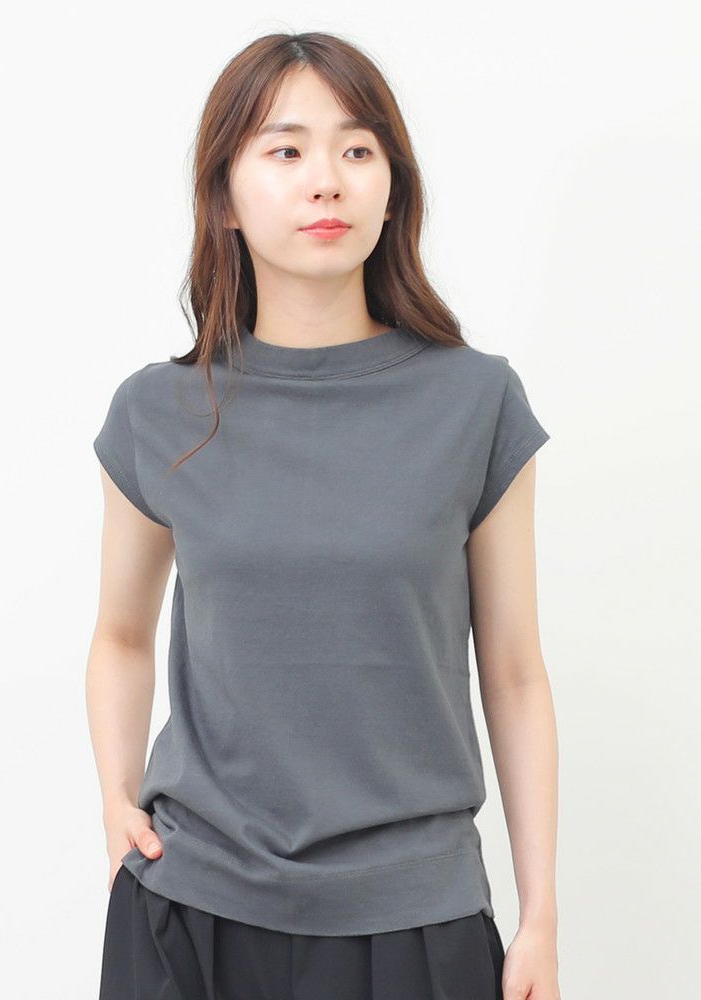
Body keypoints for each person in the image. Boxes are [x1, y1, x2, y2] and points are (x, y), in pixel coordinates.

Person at [87, 30, 560, 1000]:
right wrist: (114, 802)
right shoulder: (156, 412)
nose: (325, 181)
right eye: (285, 149)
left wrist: (540, 916)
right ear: (224, 195)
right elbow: (121, 635)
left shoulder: (474, 403)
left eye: (356, 148)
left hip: (414, 920)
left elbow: (513, 672)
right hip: (193, 910)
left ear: (392, 187)